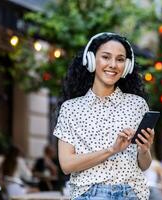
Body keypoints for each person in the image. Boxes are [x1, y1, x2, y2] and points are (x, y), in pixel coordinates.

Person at [53, 32, 154, 200]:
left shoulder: (137, 105)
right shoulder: (71, 109)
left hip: (132, 193)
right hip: (90, 194)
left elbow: (144, 165)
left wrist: (144, 150)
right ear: (91, 60)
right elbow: (66, 164)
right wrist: (111, 150)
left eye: (120, 59)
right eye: (106, 57)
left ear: (127, 66)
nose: (113, 65)